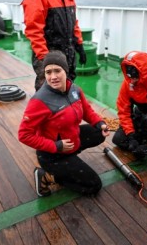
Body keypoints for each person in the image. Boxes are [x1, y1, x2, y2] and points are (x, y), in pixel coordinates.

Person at [18, 51, 109, 197]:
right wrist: (55, 146)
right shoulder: (39, 101)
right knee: (94, 185)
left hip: (70, 141)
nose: (53, 77)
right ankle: (47, 175)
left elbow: (86, 111)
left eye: (57, 71)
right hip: (52, 154)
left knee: (98, 133)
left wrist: (99, 123)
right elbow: (24, 135)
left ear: (65, 71)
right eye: (48, 72)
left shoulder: (74, 90)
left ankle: (71, 160)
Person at [21, 0, 87, 91]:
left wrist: (79, 45)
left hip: (68, 52)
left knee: (67, 85)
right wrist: (45, 59)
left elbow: (73, 22)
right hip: (49, 52)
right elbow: (34, 30)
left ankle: (64, 111)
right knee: (47, 89)